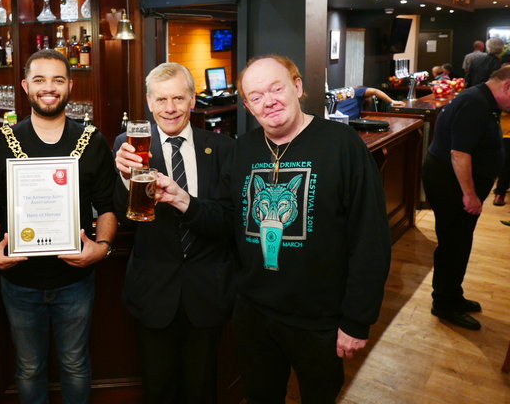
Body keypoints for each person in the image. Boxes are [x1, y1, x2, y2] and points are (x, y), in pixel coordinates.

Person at [156, 55, 391, 402]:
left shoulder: (342, 145)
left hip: (319, 319)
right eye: (256, 96)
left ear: (297, 86)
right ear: (249, 106)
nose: (269, 101)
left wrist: (357, 320)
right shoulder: (245, 149)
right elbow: (227, 222)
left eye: (276, 88)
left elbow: (370, 238)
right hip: (254, 314)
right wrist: (180, 198)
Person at [0, 49, 117, 404]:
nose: (49, 88)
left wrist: (101, 248)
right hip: (20, 280)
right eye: (39, 80)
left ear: (70, 86)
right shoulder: (2, 142)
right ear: (26, 86)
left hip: (75, 280)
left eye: (57, 80)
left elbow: (107, 206)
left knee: (75, 364)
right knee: (28, 368)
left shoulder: (92, 141)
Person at [112, 62, 235, 404]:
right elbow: (125, 216)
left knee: (201, 388)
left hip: (207, 292)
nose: (170, 108)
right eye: (162, 99)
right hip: (153, 292)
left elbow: (228, 222)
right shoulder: (129, 146)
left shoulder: (223, 148)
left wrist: (184, 201)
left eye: (179, 98)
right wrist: (125, 178)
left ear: (192, 99)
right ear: (149, 102)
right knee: (158, 389)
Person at [422, 65, 510, 330]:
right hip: (452, 187)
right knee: (453, 245)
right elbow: (459, 154)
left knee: (459, 243)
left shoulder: (483, 100)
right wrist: (470, 195)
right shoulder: (474, 103)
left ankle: (453, 295)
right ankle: (444, 304)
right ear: (507, 87)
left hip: (456, 186)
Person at [335, 86, 405, 119]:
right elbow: (375, 91)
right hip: (341, 119)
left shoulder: (357, 103)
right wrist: (392, 101)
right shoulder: (357, 91)